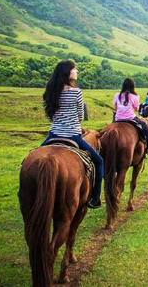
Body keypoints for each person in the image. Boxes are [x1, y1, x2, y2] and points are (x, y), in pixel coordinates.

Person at [41, 60, 104, 209]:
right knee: (99, 161)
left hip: (54, 134)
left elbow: (50, 115)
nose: (76, 71)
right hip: (73, 135)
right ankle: (95, 197)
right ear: (67, 72)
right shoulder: (76, 92)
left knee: (27, 161)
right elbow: (80, 116)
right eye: (74, 69)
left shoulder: (50, 91)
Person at [113, 78, 148, 154]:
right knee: (146, 128)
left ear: (123, 86)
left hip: (118, 118)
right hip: (130, 118)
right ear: (132, 86)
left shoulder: (117, 95)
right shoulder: (134, 96)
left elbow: (116, 108)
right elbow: (136, 109)